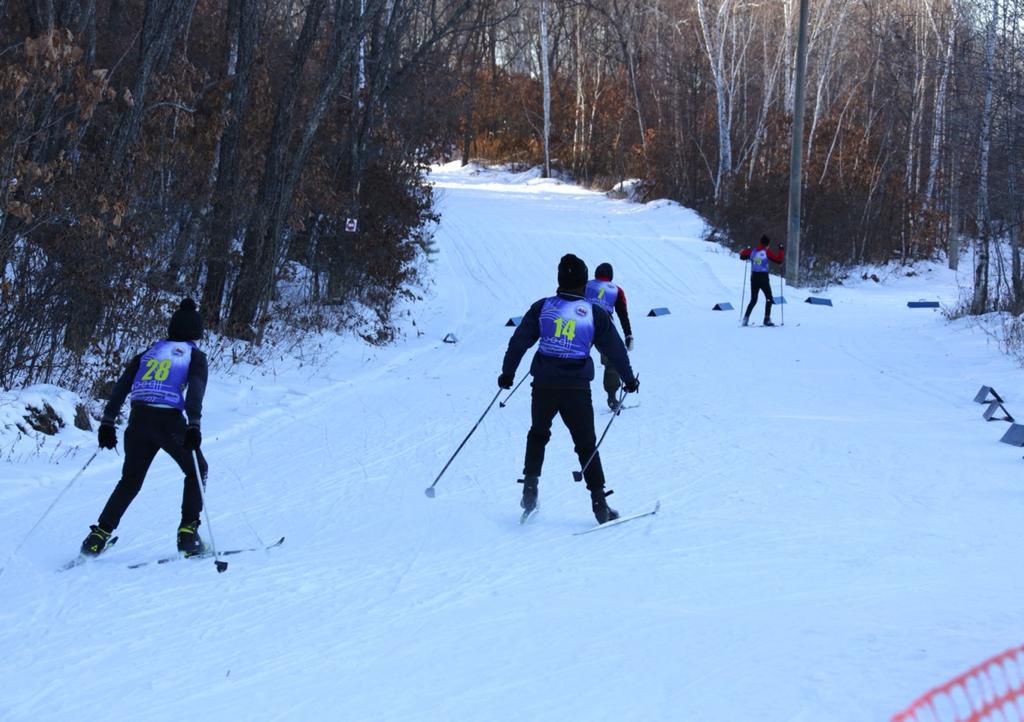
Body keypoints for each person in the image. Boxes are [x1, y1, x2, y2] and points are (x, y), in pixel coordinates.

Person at [499, 254, 639, 524]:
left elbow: (519, 341)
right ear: (583, 283)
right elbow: (615, 349)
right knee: (586, 444)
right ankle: (599, 504)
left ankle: (530, 490)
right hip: (576, 388)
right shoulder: (593, 313)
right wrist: (629, 379)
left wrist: (507, 373)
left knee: (538, 434)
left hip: (544, 384)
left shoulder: (543, 307)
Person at [79, 298, 210, 558]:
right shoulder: (194, 355)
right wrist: (194, 425)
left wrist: (107, 422)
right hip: (169, 422)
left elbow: (121, 386)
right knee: (197, 470)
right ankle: (188, 535)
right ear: (196, 332)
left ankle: (97, 537)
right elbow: (196, 389)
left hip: (138, 422)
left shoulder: (149, 352)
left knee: (130, 481)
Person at [585, 262, 634, 410]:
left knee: (575, 355)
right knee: (612, 359)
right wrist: (628, 335)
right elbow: (623, 314)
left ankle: (568, 392)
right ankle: (612, 398)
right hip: (604, 327)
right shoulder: (616, 290)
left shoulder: (586, 285)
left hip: (583, 323)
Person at [739, 235, 785, 326]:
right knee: (769, 298)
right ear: (767, 244)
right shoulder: (766, 252)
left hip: (754, 278)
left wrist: (744, 251)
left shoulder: (753, 251)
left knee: (753, 300)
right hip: (763, 278)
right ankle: (766, 319)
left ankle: (745, 318)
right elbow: (779, 260)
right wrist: (781, 249)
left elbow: (742, 256)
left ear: (760, 242)